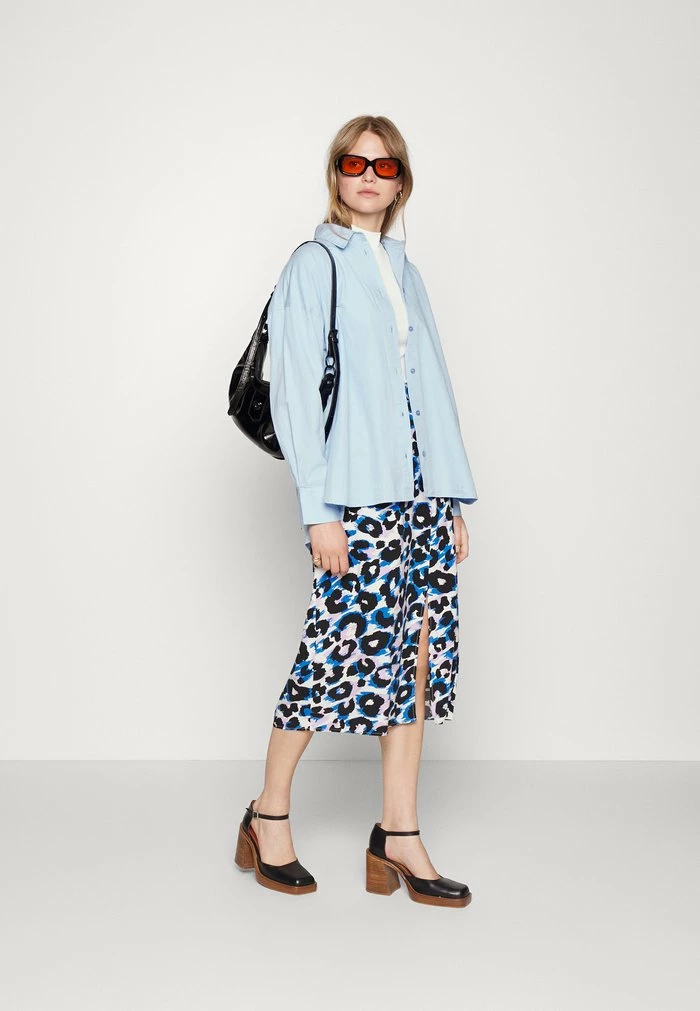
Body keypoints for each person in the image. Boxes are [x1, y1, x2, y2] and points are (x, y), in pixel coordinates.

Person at [234, 115, 478, 907]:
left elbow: (432, 387)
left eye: (385, 164)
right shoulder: (315, 264)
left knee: (415, 655)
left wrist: (448, 495)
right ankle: (268, 813)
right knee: (330, 652)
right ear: (336, 174)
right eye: (354, 162)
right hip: (355, 495)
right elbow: (297, 395)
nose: (369, 175)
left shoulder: (406, 270)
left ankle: (398, 834)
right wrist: (319, 510)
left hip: (420, 496)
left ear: (402, 181)